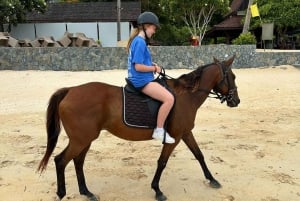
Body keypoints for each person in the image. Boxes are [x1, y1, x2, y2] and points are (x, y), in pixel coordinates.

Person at [126, 11, 175, 144]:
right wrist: (154, 68)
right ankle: (159, 130)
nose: (154, 31)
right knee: (169, 99)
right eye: (153, 28)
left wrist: (151, 64)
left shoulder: (138, 41)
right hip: (141, 81)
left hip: (140, 79)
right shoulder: (140, 42)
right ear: (146, 26)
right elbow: (138, 67)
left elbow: (140, 63)